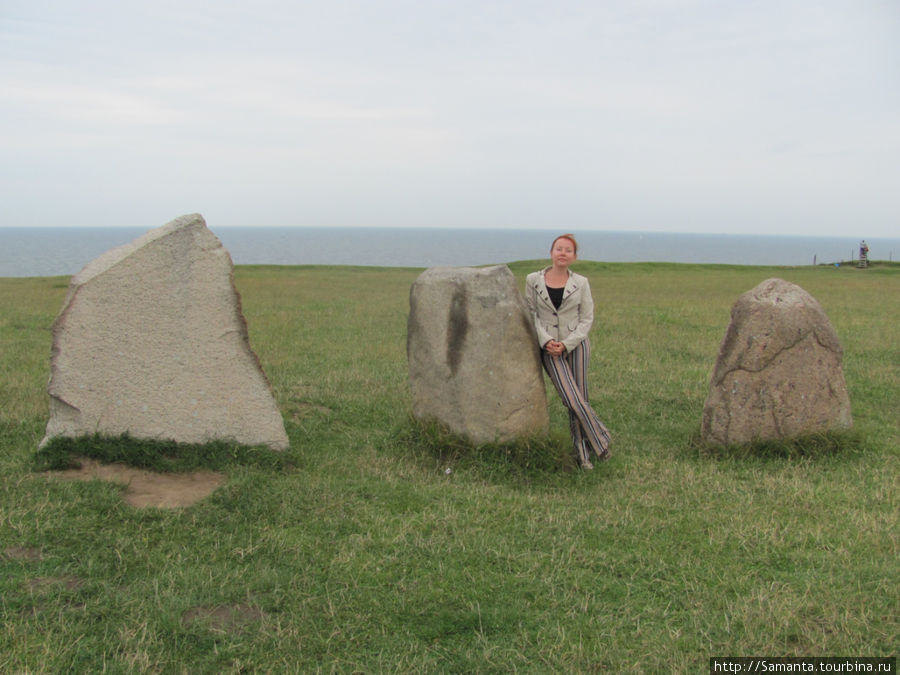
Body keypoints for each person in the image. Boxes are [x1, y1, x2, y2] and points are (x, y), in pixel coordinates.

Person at [524, 234, 611, 469]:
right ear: (551, 252)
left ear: (574, 256)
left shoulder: (581, 282)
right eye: (559, 249)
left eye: (568, 250)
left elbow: (587, 318)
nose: (563, 253)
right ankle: (601, 436)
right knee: (571, 398)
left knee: (580, 398)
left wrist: (568, 343)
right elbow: (530, 313)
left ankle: (582, 454)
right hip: (549, 348)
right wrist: (547, 341)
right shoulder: (533, 280)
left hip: (577, 345)